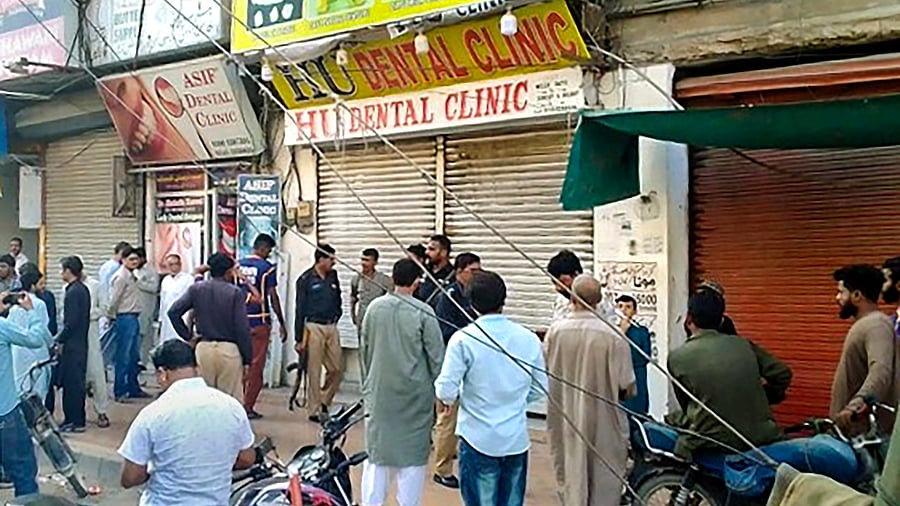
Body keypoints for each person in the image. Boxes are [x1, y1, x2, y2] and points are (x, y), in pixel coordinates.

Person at [435, 271, 548, 506]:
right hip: (516, 439)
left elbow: (446, 390)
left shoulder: (463, 339)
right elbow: (540, 388)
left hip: (478, 439)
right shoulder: (528, 338)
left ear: (471, 304)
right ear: (503, 300)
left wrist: (456, 399)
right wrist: (513, 401)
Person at [118, 339, 260, 505]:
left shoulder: (153, 414)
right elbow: (247, 458)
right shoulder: (231, 406)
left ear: (163, 374)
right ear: (197, 369)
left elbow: (130, 477)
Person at [359, 258, 445, 506]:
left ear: (393, 279)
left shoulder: (374, 308)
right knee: (412, 461)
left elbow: (365, 350)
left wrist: (368, 386)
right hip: (415, 398)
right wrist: (442, 395)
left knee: (377, 457)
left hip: (379, 395)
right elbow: (436, 357)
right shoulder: (424, 312)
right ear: (417, 281)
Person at [667, 288, 791, 458]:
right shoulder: (743, 345)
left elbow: (687, 405)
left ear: (689, 319)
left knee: (673, 426)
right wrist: (766, 396)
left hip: (711, 440)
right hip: (761, 436)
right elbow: (783, 374)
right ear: (721, 321)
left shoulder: (677, 357)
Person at [546, 275, 635, 506]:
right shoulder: (614, 336)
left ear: (572, 298)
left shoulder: (555, 332)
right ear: (598, 301)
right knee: (604, 483)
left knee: (571, 477)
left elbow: (545, 369)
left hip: (565, 417)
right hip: (605, 420)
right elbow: (626, 386)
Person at [168, 253, 252, 401]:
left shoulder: (196, 289)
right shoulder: (235, 292)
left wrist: (189, 337)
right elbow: (242, 328)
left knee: (203, 399)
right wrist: (247, 359)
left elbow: (173, 312)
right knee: (229, 401)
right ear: (228, 272)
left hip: (203, 349)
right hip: (229, 350)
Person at [431, 252, 481, 489]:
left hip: (475, 364)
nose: (476, 275)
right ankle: (442, 469)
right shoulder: (449, 296)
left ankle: (457, 456)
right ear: (460, 271)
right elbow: (444, 331)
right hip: (455, 361)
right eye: (473, 270)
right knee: (448, 418)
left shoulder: (475, 295)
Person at [831, 265, 900, 434]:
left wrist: (858, 404)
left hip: (865, 437)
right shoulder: (869, 324)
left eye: (842, 292)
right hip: (852, 434)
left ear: (856, 295)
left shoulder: (876, 325)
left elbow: (880, 369)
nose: (837, 298)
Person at [0, 290, 47, 496]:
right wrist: (31, 311)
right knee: (24, 471)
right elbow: (35, 339)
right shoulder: (1, 327)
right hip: (5, 412)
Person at [238, 234, 288, 420]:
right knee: (256, 367)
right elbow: (272, 296)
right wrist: (282, 322)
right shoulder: (266, 268)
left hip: (240, 321)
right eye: (268, 250)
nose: (269, 254)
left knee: (240, 365)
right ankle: (248, 406)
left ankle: (237, 401)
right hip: (259, 321)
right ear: (263, 248)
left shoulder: (237, 265)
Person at [295, 244, 343, 422]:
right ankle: (314, 410)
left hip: (331, 325)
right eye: (331, 258)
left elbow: (338, 298)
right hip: (313, 327)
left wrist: (338, 315)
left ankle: (324, 400)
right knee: (314, 371)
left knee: (337, 369)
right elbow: (299, 309)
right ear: (321, 259)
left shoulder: (333, 276)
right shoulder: (305, 279)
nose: (334, 262)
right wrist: (299, 338)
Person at [107, 246, 147, 403]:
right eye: (131, 259)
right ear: (123, 260)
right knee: (123, 356)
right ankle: (120, 391)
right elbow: (114, 300)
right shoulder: (121, 277)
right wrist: (111, 316)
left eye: (136, 259)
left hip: (134, 318)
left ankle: (133, 387)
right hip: (124, 318)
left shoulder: (132, 275)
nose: (134, 262)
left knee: (133, 356)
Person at [56, 256, 91, 433]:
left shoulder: (74, 292)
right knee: (75, 382)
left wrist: (58, 340)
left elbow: (71, 321)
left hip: (73, 346)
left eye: (62, 269)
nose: (61, 273)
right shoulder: (81, 289)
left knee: (72, 384)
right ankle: (76, 419)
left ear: (69, 270)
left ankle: (74, 420)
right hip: (79, 343)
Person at [10, 269, 53, 403]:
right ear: (33, 286)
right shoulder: (39, 304)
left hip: (18, 356)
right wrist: (52, 344)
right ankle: (37, 423)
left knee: (20, 393)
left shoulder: (14, 306)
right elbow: (43, 328)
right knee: (39, 395)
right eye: (40, 284)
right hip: (38, 355)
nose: (43, 287)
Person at [616, 294, 652, 415]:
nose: (624, 310)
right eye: (620, 306)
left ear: (634, 311)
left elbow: (645, 357)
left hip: (637, 376)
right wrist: (622, 332)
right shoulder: (611, 331)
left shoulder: (642, 331)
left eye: (628, 307)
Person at [83, 272, 110, 428]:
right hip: (75, 334)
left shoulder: (95, 285)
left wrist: (87, 314)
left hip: (92, 332)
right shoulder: (67, 287)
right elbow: (63, 311)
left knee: (96, 372)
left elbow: (104, 308)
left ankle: (102, 411)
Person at [351, 248, 392, 332]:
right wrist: (353, 315)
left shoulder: (383, 280)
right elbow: (353, 298)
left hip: (378, 321)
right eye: (362, 259)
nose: (363, 263)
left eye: (367, 260)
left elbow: (392, 300)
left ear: (375, 262)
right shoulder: (356, 279)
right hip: (362, 320)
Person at [158, 254, 193, 344]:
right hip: (167, 319)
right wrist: (160, 319)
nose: (173, 267)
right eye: (170, 265)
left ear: (180, 265)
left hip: (182, 317)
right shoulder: (165, 280)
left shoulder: (188, 279)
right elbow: (162, 301)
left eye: (175, 264)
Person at [134, 247, 159, 367]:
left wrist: (139, 283)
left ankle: (143, 361)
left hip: (146, 308)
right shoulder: (133, 270)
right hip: (134, 308)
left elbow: (154, 288)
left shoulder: (151, 271)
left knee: (145, 336)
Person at [414, 235, 454, 308]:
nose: (426, 252)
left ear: (443, 252)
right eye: (427, 249)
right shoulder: (422, 271)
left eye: (431, 249)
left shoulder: (452, 275)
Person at [548, 250, 583, 323]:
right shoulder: (561, 301)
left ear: (576, 275)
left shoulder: (598, 299)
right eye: (554, 283)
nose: (557, 288)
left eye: (562, 282)